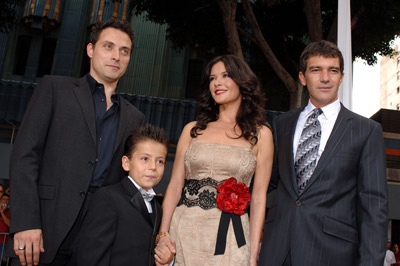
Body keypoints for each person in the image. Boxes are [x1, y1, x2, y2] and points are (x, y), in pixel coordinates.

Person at [9, 18, 145, 266]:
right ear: (90, 50)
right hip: (45, 227)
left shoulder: (135, 117)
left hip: (98, 237)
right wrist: (26, 222)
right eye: (108, 46)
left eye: (124, 51)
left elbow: (129, 183)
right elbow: (25, 156)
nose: (116, 56)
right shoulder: (54, 89)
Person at [258, 40, 388, 266]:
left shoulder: (366, 131)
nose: (325, 78)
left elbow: (374, 208)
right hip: (277, 251)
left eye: (333, 71)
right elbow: (265, 182)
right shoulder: (281, 124)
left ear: (341, 77)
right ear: (302, 77)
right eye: (316, 70)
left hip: (331, 254)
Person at [155, 54, 274, 266]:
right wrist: (163, 235)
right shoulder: (192, 130)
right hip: (184, 230)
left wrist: (254, 254)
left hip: (230, 236)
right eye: (212, 78)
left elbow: (258, 198)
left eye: (226, 76)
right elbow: (174, 187)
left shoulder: (261, 135)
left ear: (242, 82)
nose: (217, 82)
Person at [77, 124, 174, 266]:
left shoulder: (157, 207)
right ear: (126, 163)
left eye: (160, 161)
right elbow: (91, 257)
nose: (153, 167)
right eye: (145, 159)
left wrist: (167, 260)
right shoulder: (108, 198)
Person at [0, 194, 10, 264]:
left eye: (7, 200)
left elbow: (9, 224)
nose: (5, 201)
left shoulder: (10, 211)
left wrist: (2, 212)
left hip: (5, 240)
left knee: (4, 261)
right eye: (4, 199)